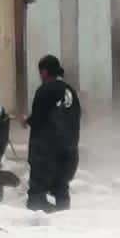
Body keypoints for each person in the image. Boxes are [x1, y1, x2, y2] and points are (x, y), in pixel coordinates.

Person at [23, 55, 81, 211]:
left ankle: (44, 226)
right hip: (69, 150)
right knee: (61, 189)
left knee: (36, 199)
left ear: (44, 72)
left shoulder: (45, 90)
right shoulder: (71, 91)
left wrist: (27, 121)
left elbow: (39, 118)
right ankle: (63, 220)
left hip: (46, 152)